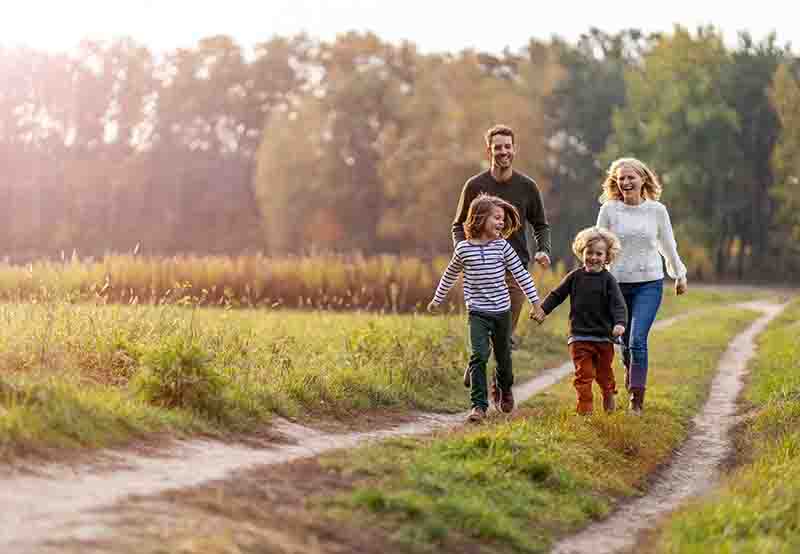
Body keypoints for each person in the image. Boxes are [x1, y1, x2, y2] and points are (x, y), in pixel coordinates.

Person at [429, 194, 543, 423]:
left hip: (502, 312)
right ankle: (478, 406)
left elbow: (521, 275)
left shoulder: (503, 248)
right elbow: (450, 275)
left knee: (503, 360)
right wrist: (437, 299)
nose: (502, 223)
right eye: (497, 218)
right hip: (477, 313)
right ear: (480, 219)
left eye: (503, 219)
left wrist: (536, 302)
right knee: (478, 355)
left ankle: (505, 388)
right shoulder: (463, 249)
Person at [596, 157, 688, 414]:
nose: (625, 182)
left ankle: (636, 399)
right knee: (625, 343)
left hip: (649, 283)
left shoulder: (657, 210)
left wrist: (679, 274)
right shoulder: (609, 210)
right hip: (617, 286)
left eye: (630, 177)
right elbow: (598, 244)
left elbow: (668, 245)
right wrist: (593, 278)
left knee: (638, 339)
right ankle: (630, 370)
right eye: (621, 178)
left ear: (643, 179)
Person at [451, 124, 551, 353]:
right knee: (482, 325)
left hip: (515, 269)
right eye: (498, 147)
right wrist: (462, 250)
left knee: (505, 331)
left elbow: (540, 225)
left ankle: (498, 382)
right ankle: (479, 361)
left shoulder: (527, 187)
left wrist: (543, 249)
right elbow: (458, 225)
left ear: (514, 150)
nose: (503, 151)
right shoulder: (475, 186)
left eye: (507, 147)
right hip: (481, 268)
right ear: (489, 151)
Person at [533, 227, 627, 415]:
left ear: (607, 257)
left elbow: (619, 304)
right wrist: (543, 309)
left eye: (598, 254)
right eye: (589, 253)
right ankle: (585, 409)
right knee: (583, 375)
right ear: (581, 253)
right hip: (579, 336)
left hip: (603, 338)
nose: (593, 257)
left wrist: (619, 324)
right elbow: (557, 295)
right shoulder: (575, 277)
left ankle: (608, 394)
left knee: (603, 374)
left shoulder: (608, 280)